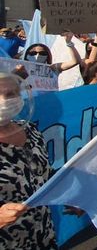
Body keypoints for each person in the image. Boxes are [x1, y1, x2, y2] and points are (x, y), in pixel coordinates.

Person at [0, 73, 56, 248]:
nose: (5, 101)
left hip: (44, 236)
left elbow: (44, 174)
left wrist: (74, 198)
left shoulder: (30, 129)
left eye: (12, 94)